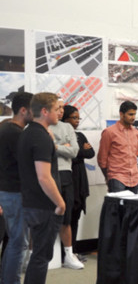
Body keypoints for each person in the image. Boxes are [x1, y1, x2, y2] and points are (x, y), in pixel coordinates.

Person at [17, 93, 66, 284]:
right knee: (41, 256)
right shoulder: (39, 136)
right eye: (57, 109)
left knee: (38, 255)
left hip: (32, 203)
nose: (60, 112)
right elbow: (44, 177)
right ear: (44, 111)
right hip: (44, 206)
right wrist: (60, 203)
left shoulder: (31, 133)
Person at [0, 92, 33, 284]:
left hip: (9, 191)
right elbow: (28, 165)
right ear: (23, 110)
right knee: (18, 242)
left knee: (13, 241)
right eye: (34, 109)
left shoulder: (5, 127)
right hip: (14, 193)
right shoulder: (14, 133)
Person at [49, 101, 83, 270]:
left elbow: (74, 151)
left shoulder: (67, 128)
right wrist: (64, 146)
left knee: (67, 218)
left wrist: (54, 146)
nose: (61, 111)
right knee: (43, 217)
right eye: (58, 108)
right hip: (47, 174)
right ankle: (34, 254)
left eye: (62, 108)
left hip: (66, 174)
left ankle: (69, 255)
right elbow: (42, 150)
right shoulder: (38, 128)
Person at [62, 105, 94, 259]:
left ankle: (72, 251)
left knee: (76, 217)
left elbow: (91, 153)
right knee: (67, 217)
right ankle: (64, 252)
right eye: (74, 118)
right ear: (65, 119)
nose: (77, 121)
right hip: (68, 179)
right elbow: (72, 155)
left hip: (81, 180)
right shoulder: (62, 136)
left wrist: (75, 151)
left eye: (78, 118)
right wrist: (80, 151)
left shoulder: (79, 136)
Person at [98, 101, 138, 193]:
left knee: (133, 207)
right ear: (121, 114)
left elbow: (134, 155)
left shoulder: (136, 133)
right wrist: (108, 177)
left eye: (134, 114)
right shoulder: (109, 132)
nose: (133, 117)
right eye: (130, 114)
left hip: (134, 178)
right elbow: (102, 159)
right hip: (117, 177)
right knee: (118, 207)